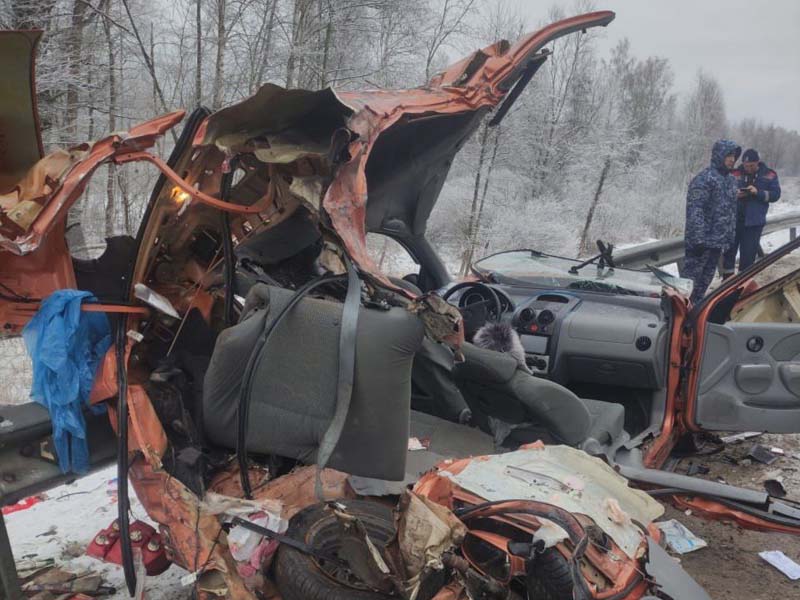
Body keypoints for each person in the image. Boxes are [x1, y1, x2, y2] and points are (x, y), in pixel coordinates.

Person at [684, 139, 741, 305]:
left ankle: (694, 319)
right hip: (700, 245)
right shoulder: (704, 179)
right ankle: (678, 321)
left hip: (718, 243)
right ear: (719, 155)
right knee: (688, 288)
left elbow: (730, 211)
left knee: (703, 286)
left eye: (734, 156)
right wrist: (698, 240)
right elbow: (695, 210)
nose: (732, 159)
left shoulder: (731, 181)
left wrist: (729, 238)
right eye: (728, 155)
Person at [722, 148, 781, 276]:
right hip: (734, 222)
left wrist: (757, 193)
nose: (748, 168)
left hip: (754, 223)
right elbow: (722, 192)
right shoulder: (734, 173)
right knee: (728, 254)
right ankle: (726, 283)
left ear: (758, 162)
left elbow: (776, 195)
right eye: (746, 165)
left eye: (751, 165)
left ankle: (743, 285)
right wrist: (734, 194)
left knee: (748, 256)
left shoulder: (769, 175)